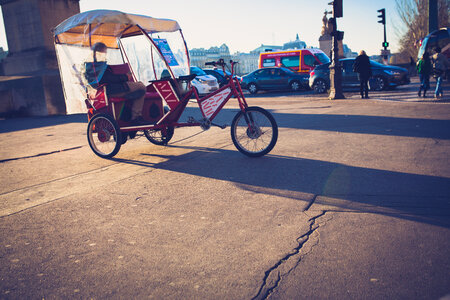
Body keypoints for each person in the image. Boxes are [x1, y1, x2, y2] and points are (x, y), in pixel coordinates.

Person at [84, 42, 146, 123]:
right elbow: (107, 79)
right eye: (104, 52)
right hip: (110, 90)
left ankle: (130, 98)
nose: (105, 54)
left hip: (111, 88)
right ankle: (135, 117)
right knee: (141, 87)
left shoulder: (95, 64)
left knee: (140, 86)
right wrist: (125, 77)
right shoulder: (96, 65)